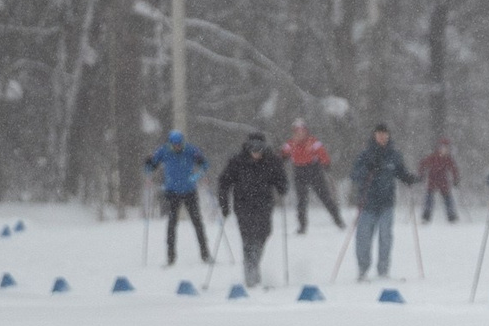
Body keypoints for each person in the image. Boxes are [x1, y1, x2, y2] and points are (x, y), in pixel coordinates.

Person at [214, 132, 290, 289]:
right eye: (253, 149)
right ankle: (251, 273)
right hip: (243, 205)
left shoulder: (272, 161)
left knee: (263, 234)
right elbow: (224, 183)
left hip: (264, 205)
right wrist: (224, 205)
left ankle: (254, 263)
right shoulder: (237, 161)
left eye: (259, 149)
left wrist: (282, 188)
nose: (256, 153)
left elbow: (281, 180)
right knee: (248, 238)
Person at [347, 123, 418, 282]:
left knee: (386, 238)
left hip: (387, 203)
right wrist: (368, 168)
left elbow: (400, 172)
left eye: (385, 134)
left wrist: (409, 178)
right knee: (363, 238)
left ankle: (383, 271)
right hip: (367, 203)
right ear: (374, 135)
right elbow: (354, 175)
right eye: (379, 134)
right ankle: (363, 270)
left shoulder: (394, 155)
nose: (383, 137)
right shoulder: (365, 154)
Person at [144, 129, 212, 265]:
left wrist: (197, 176)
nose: (177, 147)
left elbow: (204, 164)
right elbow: (151, 166)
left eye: (179, 144)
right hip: (172, 192)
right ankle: (170, 257)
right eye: (174, 144)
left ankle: (205, 255)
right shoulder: (164, 151)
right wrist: (148, 165)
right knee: (171, 225)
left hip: (189, 191)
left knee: (197, 223)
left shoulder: (191, 150)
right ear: (170, 143)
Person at [283, 121, 345, 233]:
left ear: (306, 132)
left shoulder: (313, 141)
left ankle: (338, 220)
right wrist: (282, 157)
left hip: (314, 170)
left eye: (302, 132)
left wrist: (326, 163)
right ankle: (302, 226)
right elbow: (283, 154)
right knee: (301, 200)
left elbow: (322, 152)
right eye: (297, 132)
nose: (300, 134)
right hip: (299, 171)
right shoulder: (291, 143)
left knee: (325, 197)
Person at [419, 137, 460, 223]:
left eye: (446, 148)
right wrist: (421, 175)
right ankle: (426, 216)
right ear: (439, 147)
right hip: (432, 180)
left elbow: (454, 169)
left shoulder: (448, 159)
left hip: (443, 181)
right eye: (442, 147)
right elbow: (423, 164)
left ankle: (451, 216)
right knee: (429, 199)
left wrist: (456, 179)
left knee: (448, 199)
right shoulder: (433, 157)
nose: (444, 150)